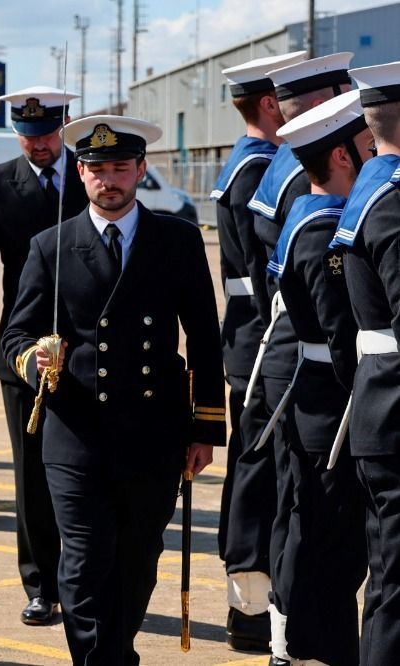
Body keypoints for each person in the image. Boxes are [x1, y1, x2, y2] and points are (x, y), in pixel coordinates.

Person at [2, 115, 224, 665]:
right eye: (97, 169)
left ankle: (116, 650)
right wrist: (35, 362)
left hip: (153, 430)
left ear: (141, 169)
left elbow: (204, 337)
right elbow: (14, 334)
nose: (110, 180)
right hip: (76, 431)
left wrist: (205, 428)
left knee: (138, 557)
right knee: (80, 562)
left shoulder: (177, 239)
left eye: (121, 168)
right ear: (80, 173)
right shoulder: (50, 246)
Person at [0, 85, 87, 625]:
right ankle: (41, 585)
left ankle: (88, 577)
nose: (39, 145)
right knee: (31, 472)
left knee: (88, 470)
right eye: (29, 137)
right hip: (24, 346)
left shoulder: (93, 173)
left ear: (65, 125)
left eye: (48, 134)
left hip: (85, 344)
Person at [239, 51, 354, 654]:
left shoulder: (293, 184)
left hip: (297, 366)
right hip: (315, 383)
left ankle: (292, 633)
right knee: (313, 522)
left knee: (303, 515)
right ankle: (298, 638)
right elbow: (339, 331)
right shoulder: (315, 213)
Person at [266, 89, 371, 666]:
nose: (373, 151)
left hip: (320, 401)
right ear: (339, 157)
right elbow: (343, 342)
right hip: (333, 409)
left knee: (325, 543)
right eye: (364, 145)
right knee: (331, 551)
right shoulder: (321, 231)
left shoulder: (313, 218)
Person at [208, 50, 305, 653]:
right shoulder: (259, 170)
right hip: (260, 337)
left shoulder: (246, 163)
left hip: (247, 336)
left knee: (254, 471)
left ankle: (247, 598)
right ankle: (248, 601)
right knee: (258, 476)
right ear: (271, 104)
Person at [330, 60, 400, 666]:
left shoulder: (373, 185)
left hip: (384, 406)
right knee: (397, 588)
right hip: (397, 414)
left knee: (391, 581)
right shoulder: (395, 201)